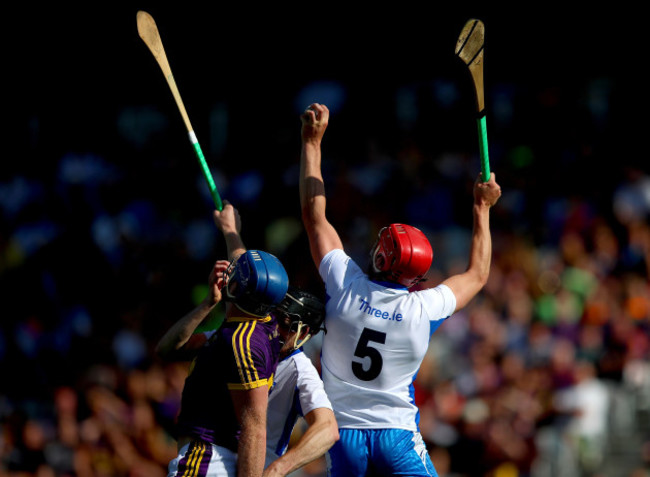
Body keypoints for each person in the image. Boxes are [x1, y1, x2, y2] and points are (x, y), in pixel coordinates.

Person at [298, 102, 502, 476]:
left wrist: (312, 144)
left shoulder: (344, 283)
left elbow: (315, 217)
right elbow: (477, 275)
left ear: (379, 257)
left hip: (343, 436)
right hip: (397, 436)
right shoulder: (423, 309)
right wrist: (482, 209)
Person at [157, 202, 338, 477]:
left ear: (306, 333)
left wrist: (277, 470)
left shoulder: (255, 344)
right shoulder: (252, 325)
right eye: (278, 313)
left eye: (289, 323)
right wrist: (231, 231)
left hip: (214, 462)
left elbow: (323, 428)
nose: (280, 325)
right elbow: (169, 348)